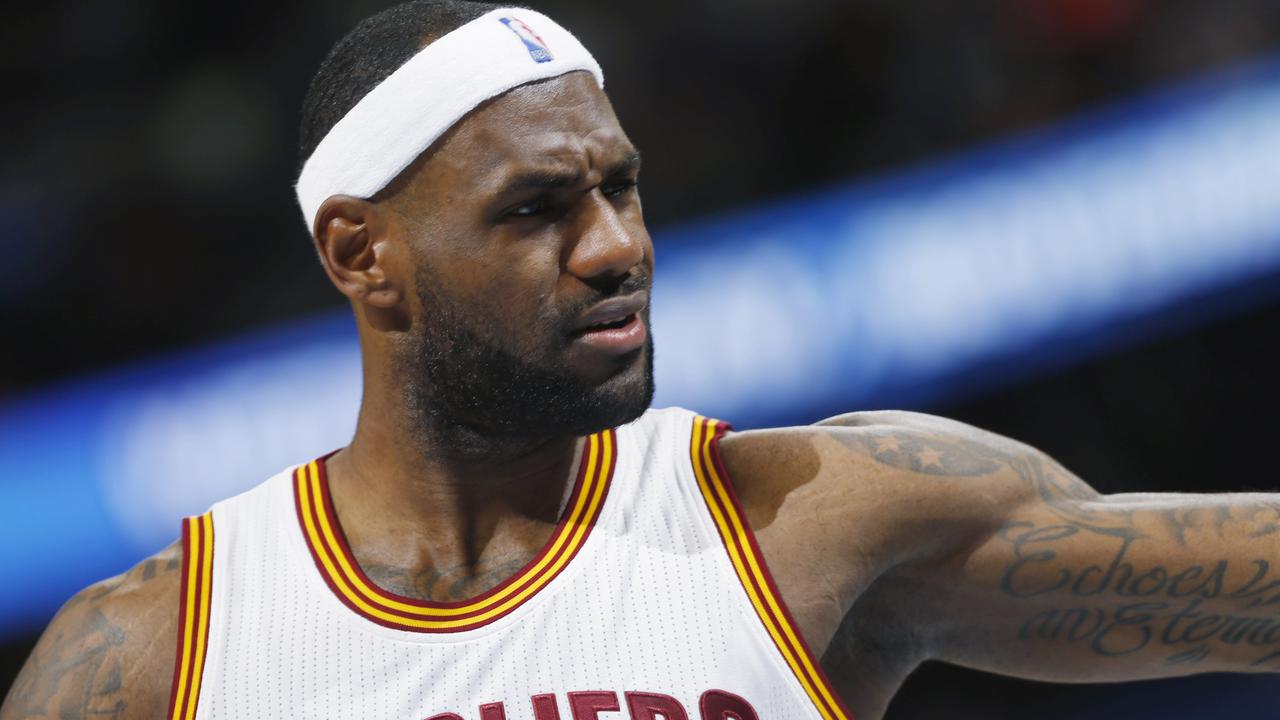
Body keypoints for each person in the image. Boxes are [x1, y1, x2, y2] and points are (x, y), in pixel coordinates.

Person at [4, 3, 1279, 719]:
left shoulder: (812, 519)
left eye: (621, 188)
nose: (616, 247)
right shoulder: (158, 655)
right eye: (535, 208)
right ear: (360, 254)